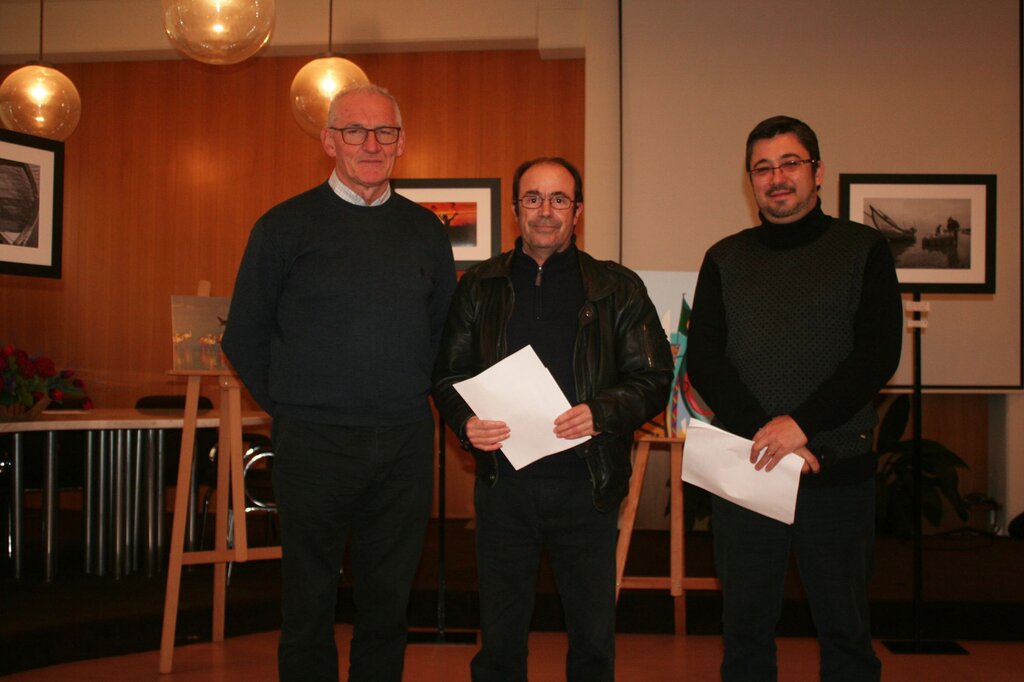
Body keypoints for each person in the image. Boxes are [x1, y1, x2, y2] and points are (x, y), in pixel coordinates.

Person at [221, 82, 456, 682]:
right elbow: (243, 336)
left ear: (402, 143)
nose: (371, 144)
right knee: (308, 603)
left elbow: (442, 337)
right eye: (355, 131)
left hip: (404, 443)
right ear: (329, 141)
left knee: (388, 604)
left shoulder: (427, 231)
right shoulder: (283, 226)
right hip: (313, 443)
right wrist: (295, 408)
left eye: (385, 132)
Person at [432, 157, 674, 682]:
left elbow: (655, 377)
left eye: (559, 199)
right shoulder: (478, 286)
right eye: (533, 198)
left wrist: (601, 412)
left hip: (588, 487)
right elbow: (447, 375)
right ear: (516, 209)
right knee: (499, 645)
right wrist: (465, 422)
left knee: (592, 644)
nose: (546, 210)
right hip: (503, 487)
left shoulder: (618, 288)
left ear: (578, 210)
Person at [687, 115, 903, 681]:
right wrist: (771, 435)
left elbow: (876, 356)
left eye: (790, 163)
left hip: (837, 472)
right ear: (750, 181)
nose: (777, 177)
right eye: (762, 168)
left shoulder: (864, 250)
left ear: (818, 171)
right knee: (745, 636)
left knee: (846, 635)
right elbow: (705, 361)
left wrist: (800, 426)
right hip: (749, 471)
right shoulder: (724, 258)